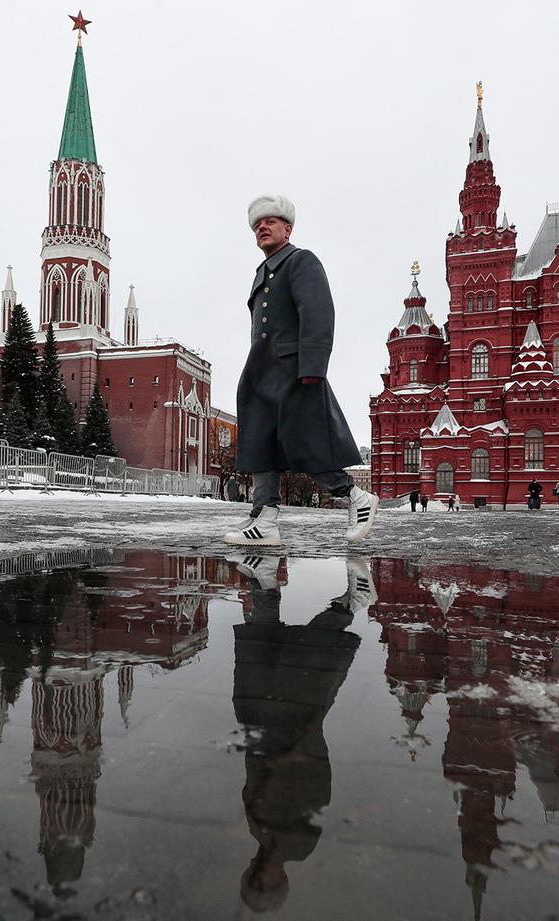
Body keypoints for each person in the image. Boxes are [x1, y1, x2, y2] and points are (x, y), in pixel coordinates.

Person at [225, 196, 378, 547]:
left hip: (292, 369)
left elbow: (318, 312)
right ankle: (264, 519)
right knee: (260, 443)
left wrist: (313, 365)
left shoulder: (300, 261)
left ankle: (356, 497)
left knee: (304, 441)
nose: (262, 228)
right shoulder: (262, 272)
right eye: (257, 225)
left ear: (288, 229)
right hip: (261, 372)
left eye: (271, 222)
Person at [231, 556, 361, 914]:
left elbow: (253, 780)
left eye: (252, 881)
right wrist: (301, 751)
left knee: (261, 648)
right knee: (308, 657)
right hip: (294, 732)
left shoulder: (256, 832)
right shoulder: (301, 847)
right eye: (265, 885)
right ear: (280, 881)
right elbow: (319, 793)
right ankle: (350, 603)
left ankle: (264, 589)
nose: (259, 876)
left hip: (259, 727)